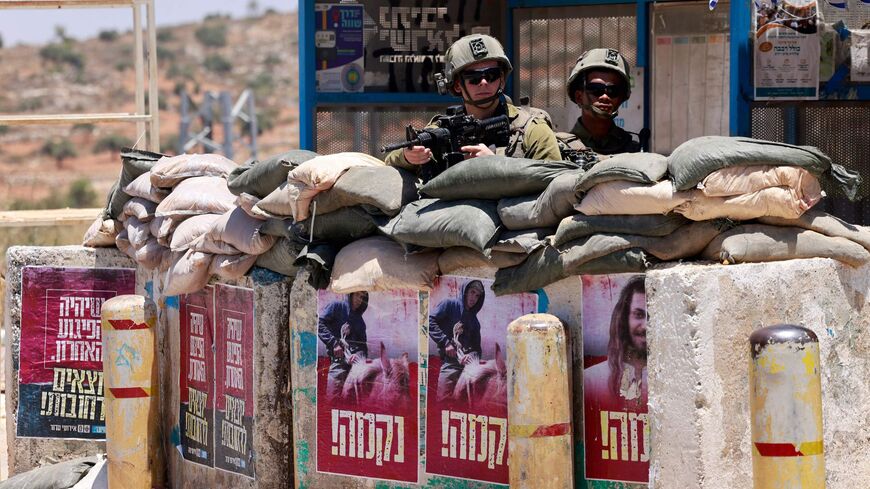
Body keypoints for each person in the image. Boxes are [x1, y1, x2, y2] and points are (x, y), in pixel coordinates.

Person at [384, 34, 561, 171]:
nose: (484, 82)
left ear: (501, 79)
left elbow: (554, 180)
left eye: (491, 75)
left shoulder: (532, 129)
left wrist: (496, 164)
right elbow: (392, 159)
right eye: (474, 78)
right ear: (458, 85)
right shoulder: (443, 130)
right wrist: (409, 157)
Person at [584, 276, 647, 406]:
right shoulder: (591, 380)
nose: (646, 325)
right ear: (624, 319)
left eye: (653, 315)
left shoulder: (676, 381)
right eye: (639, 315)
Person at [566, 48, 642, 155]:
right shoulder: (561, 149)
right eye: (596, 89)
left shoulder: (633, 150)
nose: (605, 97)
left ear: (622, 97)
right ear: (579, 97)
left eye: (613, 91)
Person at [429, 279, 485, 401]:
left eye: (477, 295)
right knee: (443, 402)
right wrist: (446, 343)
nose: (473, 298)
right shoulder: (449, 305)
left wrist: (471, 356)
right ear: (465, 292)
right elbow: (429, 321)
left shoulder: (475, 322)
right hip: (450, 364)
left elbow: (477, 350)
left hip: (468, 369)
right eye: (472, 292)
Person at [317, 291, 369, 399]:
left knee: (356, 401)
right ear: (351, 294)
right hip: (338, 363)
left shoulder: (360, 322)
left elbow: (363, 347)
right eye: (358, 295)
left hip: (355, 367)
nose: (360, 300)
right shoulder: (336, 306)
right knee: (332, 399)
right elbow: (319, 324)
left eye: (363, 297)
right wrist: (334, 343)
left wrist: (358, 356)